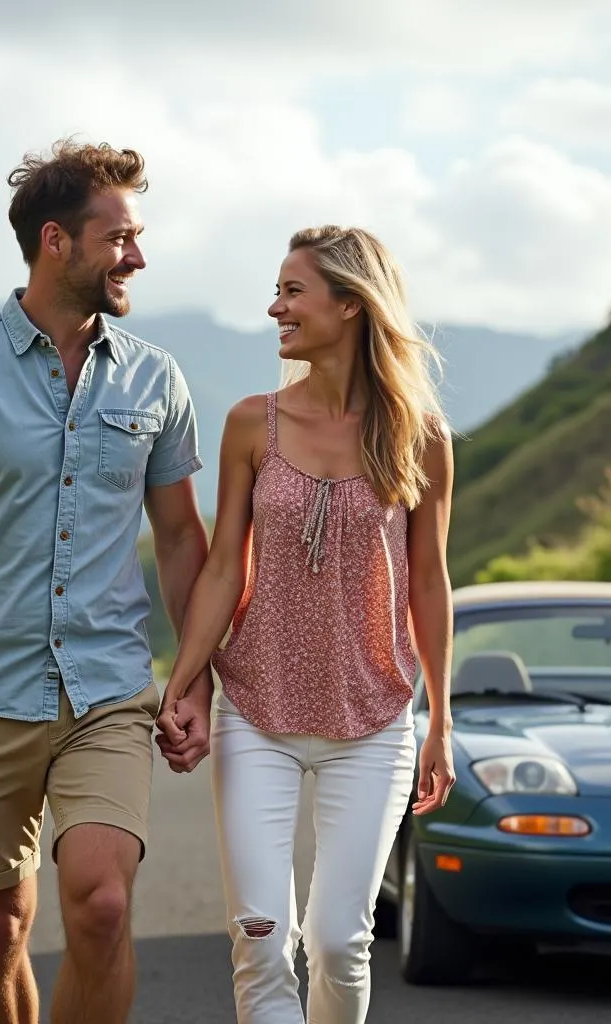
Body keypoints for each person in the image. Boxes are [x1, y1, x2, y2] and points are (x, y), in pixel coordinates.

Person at [0, 139, 213, 1024]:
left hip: (106, 688)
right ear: (56, 241)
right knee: (1, 928)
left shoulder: (156, 378)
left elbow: (180, 537)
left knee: (101, 906)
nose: (137, 255)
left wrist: (196, 678)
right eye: (121, 238)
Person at [157, 225, 456, 1023]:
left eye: (293, 292)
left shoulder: (420, 435)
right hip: (258, 710)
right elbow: (225, 567)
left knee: (337, 943)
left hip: (376, 719)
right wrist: (182, 685)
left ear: (351, 306)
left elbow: (429, 581)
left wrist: (440, 722)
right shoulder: (253, 423)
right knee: (259, 940)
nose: (275, 307)